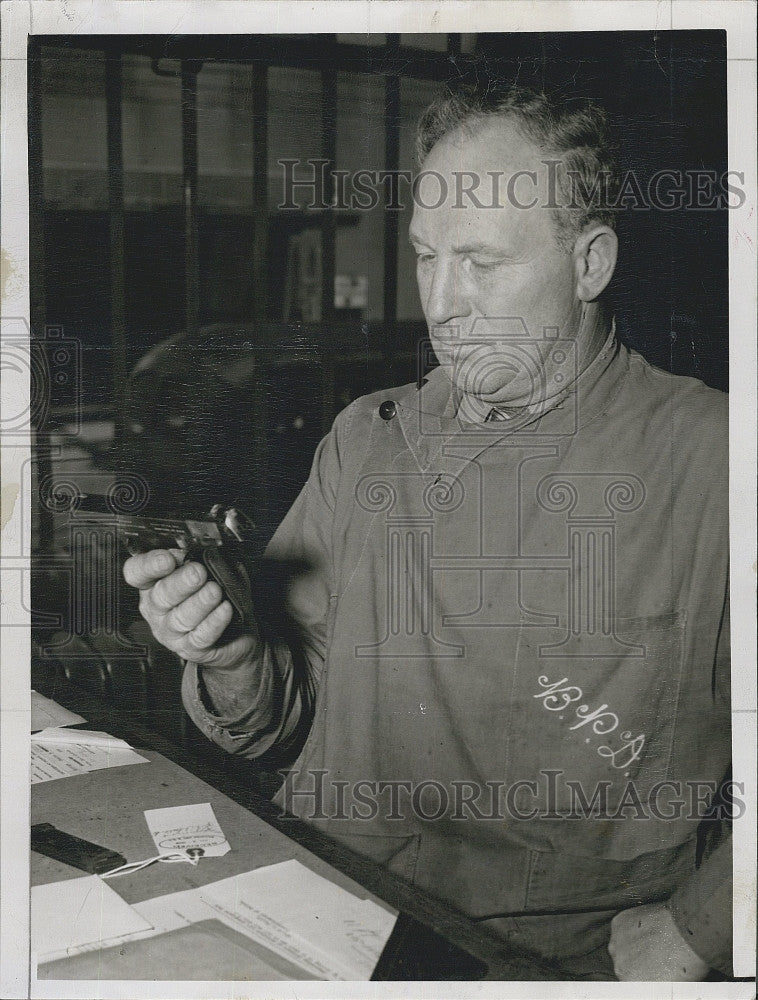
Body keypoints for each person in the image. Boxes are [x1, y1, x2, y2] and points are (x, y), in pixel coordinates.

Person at [124, 85, 732, 980]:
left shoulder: (714, 462)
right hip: (319, 906)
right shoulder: (367, 437)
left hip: (529, 961)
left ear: (591, 262)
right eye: (425, 256)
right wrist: (229, 655)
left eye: (482, 263)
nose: (440, 304)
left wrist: (698, 929)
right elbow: (277, 720)